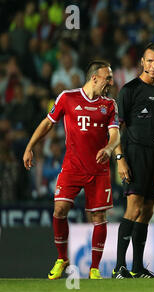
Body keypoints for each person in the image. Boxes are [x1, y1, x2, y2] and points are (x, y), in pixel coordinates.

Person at [23, 60, 119, 280]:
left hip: (99, 169)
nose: (111, 82)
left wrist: (109, 147)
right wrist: (30, 146)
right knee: (59, 210)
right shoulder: (67, 97)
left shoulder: (110, 104)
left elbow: (115, 134)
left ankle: (94, 268)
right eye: (108, 78)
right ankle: (61, 259)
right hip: (72, 167)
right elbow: (47, 123)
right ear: (94, 78)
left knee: (98, 216)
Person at [112, 42, 154, 279]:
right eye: (150, 61)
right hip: (135, 154)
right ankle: (119, 266)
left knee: (148, 210)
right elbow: (115, 128)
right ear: (142, 62)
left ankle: (137, 267)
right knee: (134, 207)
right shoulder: (129, 90)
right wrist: (120, 159)